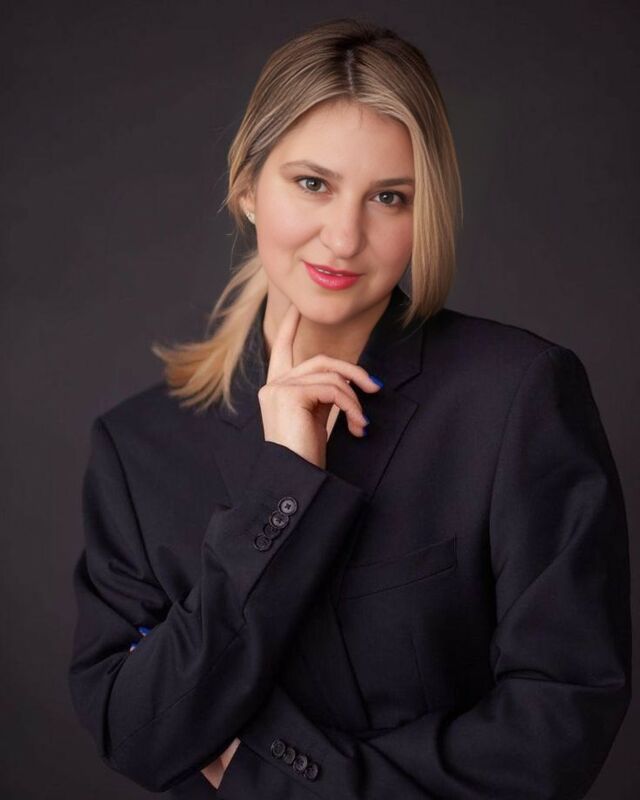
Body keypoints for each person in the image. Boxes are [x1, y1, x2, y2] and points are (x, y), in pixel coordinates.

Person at [67, 17, 631, 800]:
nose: (343, 237)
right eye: (312, 184)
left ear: (424, 212)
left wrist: (287, 779)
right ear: (247, 189)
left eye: (389, 197)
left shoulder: (517, 395)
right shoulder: (138, 447)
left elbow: (561, 716)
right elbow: (137, 731)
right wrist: (282, 488)